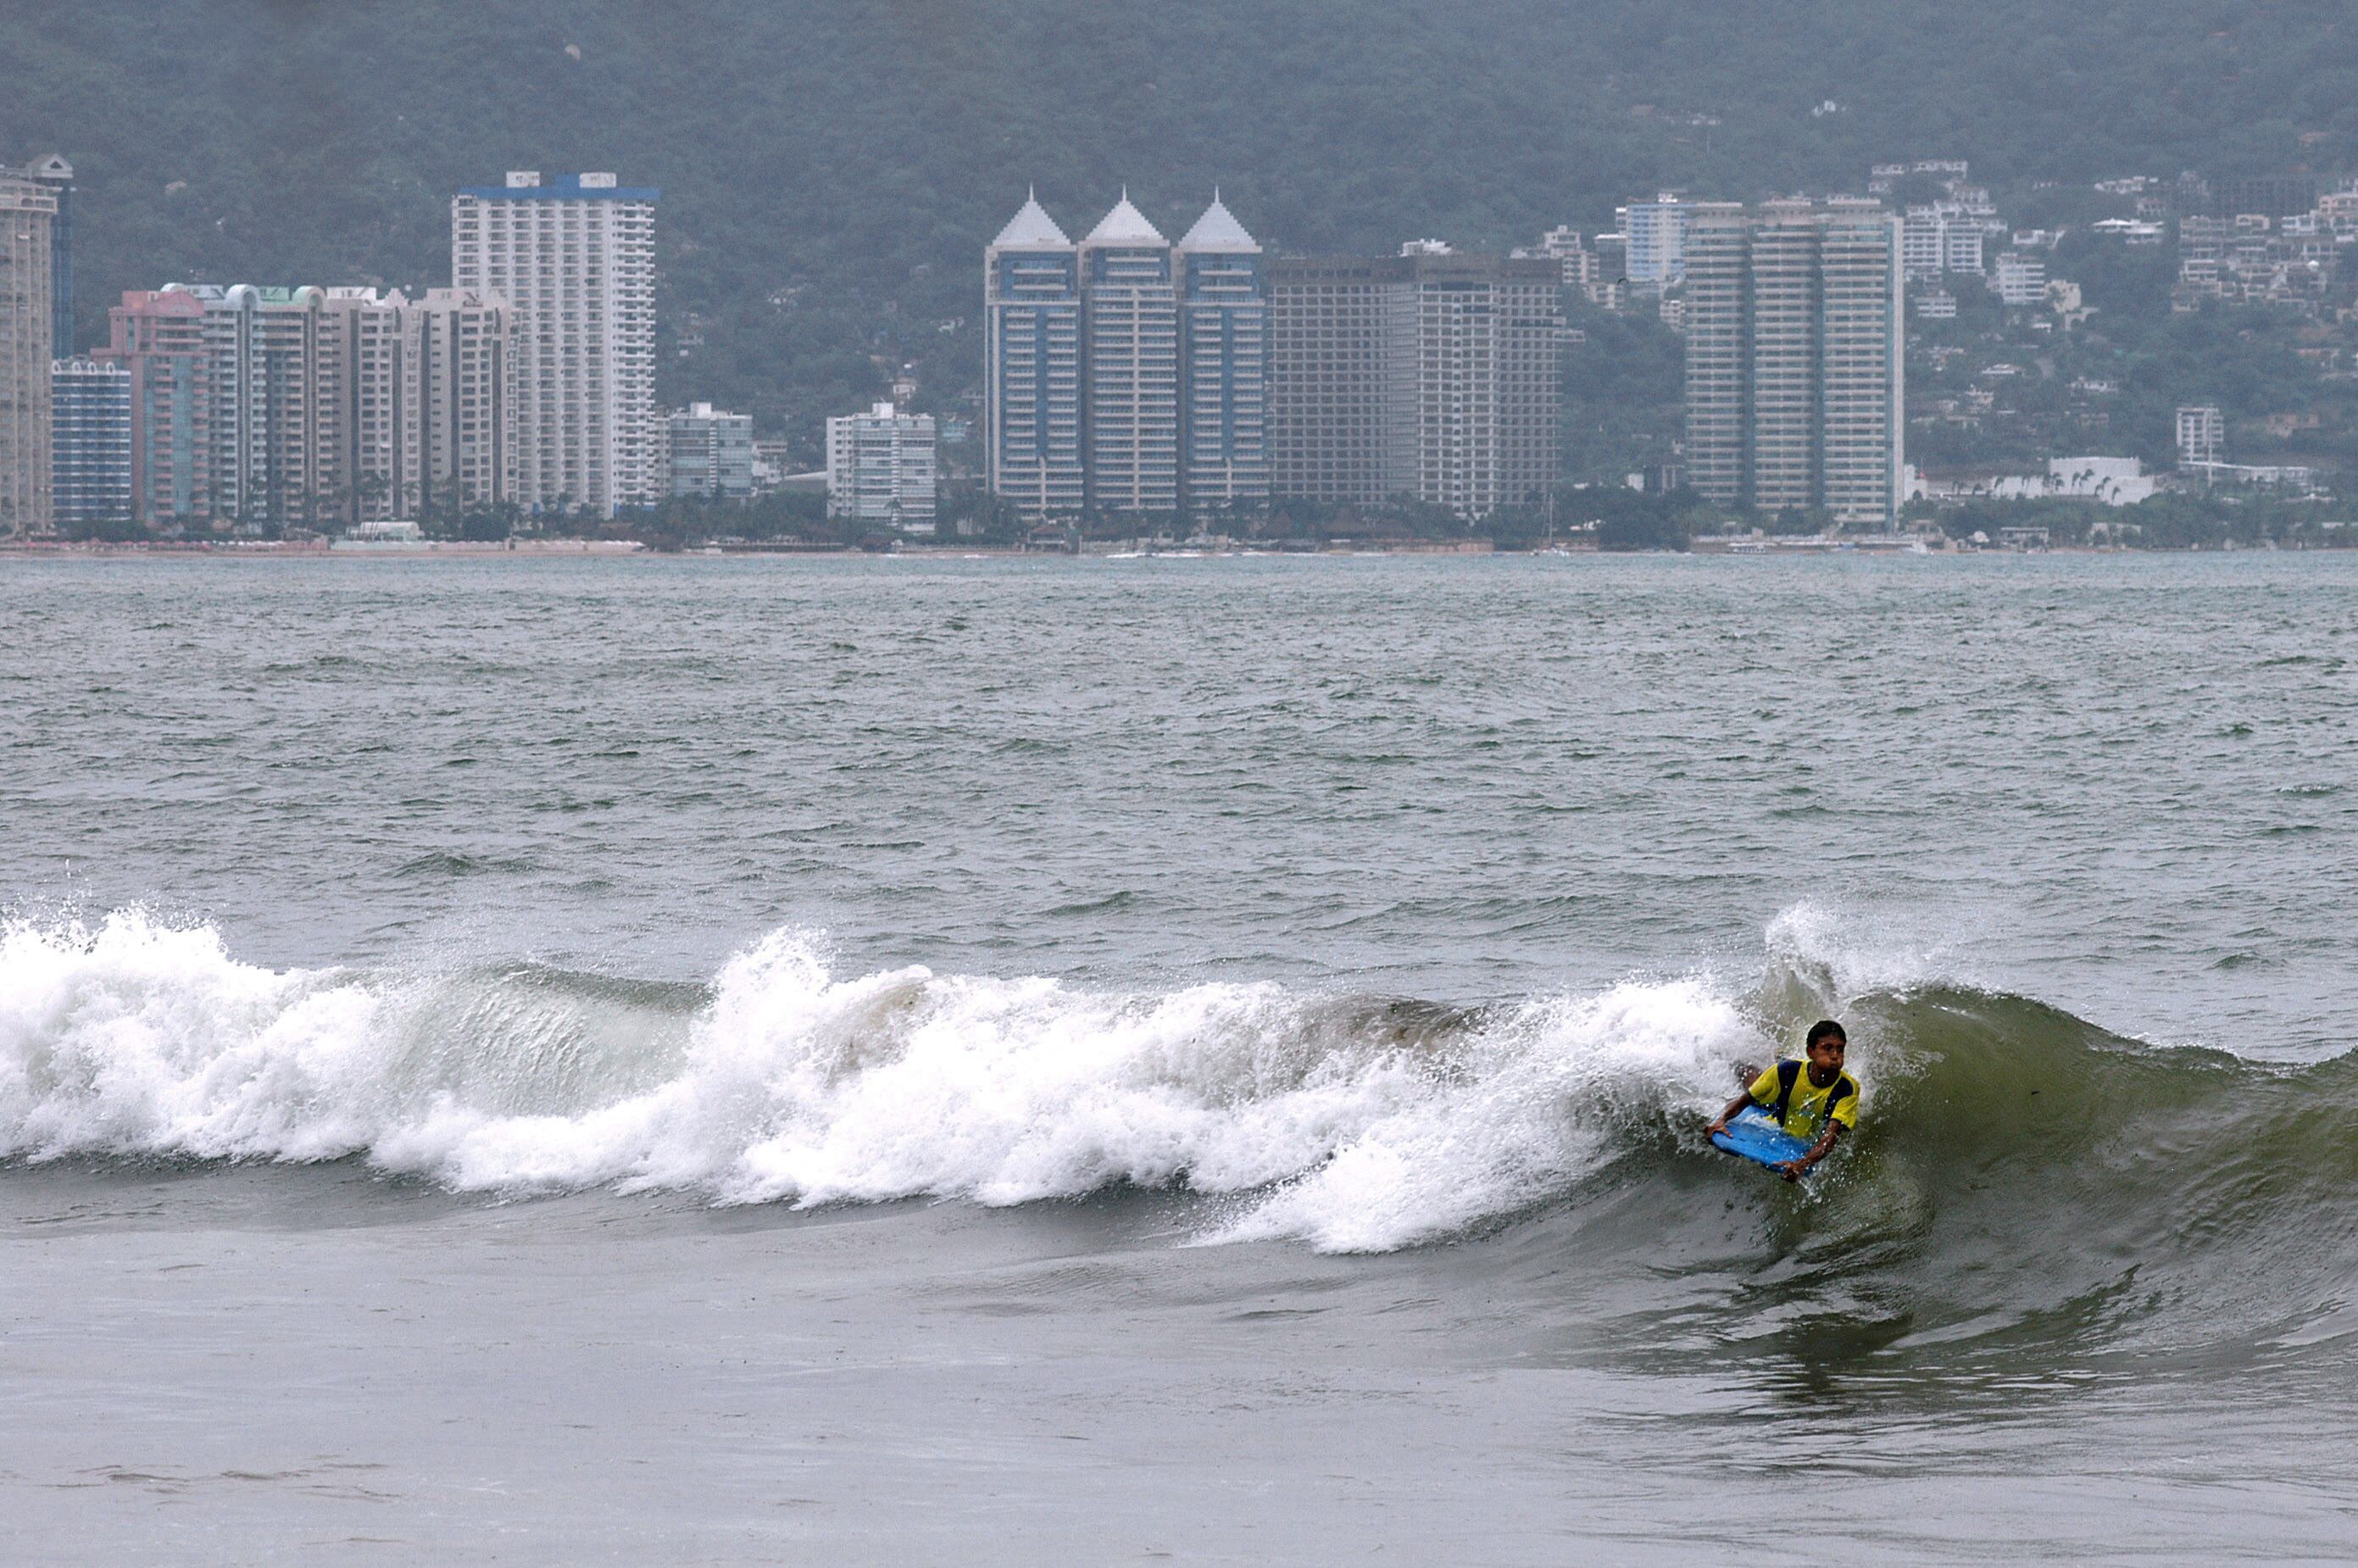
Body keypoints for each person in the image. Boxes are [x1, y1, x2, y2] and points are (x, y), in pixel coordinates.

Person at [1706, 1019, 1860, 1181]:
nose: (1835, 1056)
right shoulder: (1786, 1071)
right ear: (1811, 1052)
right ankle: (1737, 1063)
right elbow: (1744, 1100)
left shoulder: (1847, 1089)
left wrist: (1803, 1163)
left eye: (1840, 1050)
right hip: (1779, 1105)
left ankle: (1778, 1056)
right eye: (1827, 1048)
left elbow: (1830, 1137)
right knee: (1753, 1084)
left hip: (1808, 1123)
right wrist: (1722, 1119)